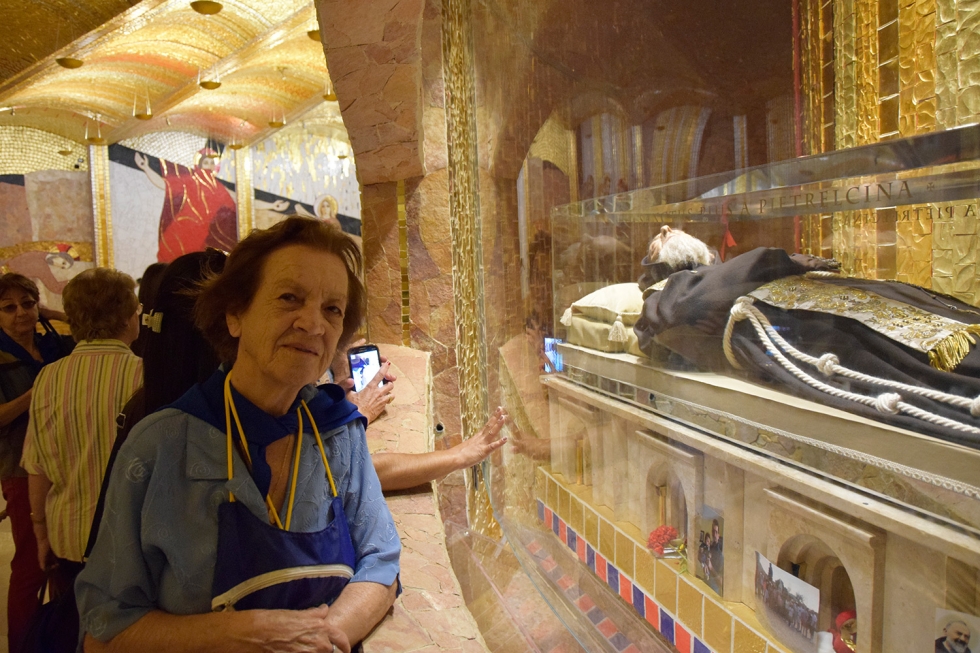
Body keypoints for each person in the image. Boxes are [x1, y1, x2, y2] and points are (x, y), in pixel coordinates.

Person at [76, 217, 400, 653]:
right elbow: (106, 630)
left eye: (333, 309)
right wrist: (250, 634)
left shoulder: (338, 433)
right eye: (289, 298)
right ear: (234, 315)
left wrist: (322, 638)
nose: (313, 324)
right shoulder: (160, 446)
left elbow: (381, 562)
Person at [632, 226, 980, 445]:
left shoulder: (713, 274)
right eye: (657, 242)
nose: (665, 228)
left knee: (926, 315)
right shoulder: (664, 295)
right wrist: (783, 261)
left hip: (818, 304)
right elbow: (680, 313)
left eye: (670, 231)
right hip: (804, 327)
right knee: (899, 354)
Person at [22, 268, 143, 592]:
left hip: (69, 535)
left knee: (73, 620)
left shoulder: (49, 377)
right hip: (132, 540)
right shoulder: (145, 375)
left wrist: (41, 533)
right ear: (127, 318)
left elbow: (37, 467)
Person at [0, 273, 73, 653]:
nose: (21, 313)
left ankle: (57, 638)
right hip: (20, 468)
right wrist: (34, 394)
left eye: (27, 304)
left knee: (65, 558)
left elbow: (93, 323)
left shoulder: (54, 343)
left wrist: (50, 312)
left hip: (64, 463)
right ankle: (23, 645)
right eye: (9, 307)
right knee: (31, 565)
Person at [134, 149, 289, 263]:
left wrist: (272, 205)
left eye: (211, 163)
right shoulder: (189, 181)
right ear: (199, 164)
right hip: (182, 228)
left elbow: (243, 199)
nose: (208, 166)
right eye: (205, 162)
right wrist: (146, 167)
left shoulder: (219, 188)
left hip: (202, 234)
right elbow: (164, 184)